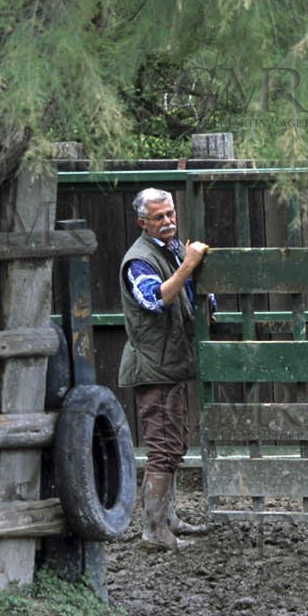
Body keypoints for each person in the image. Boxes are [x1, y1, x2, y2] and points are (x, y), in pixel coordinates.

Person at [118, 187, 215, 550]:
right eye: (158, 217)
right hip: (153, 367)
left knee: (174, 445)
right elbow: (154, 299)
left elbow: (187, 295)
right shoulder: (139, 259)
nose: (167, 221)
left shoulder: (171, 249)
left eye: (170, 214)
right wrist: (188, 265)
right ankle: (153, 531)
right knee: (162, 448)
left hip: (170, 363)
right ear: (142, 222)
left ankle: (168, 520)